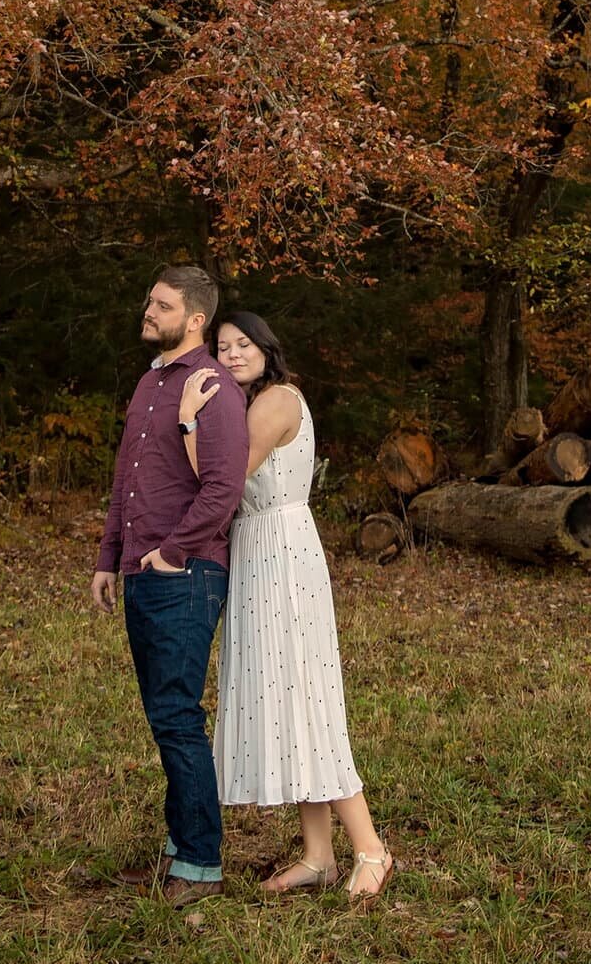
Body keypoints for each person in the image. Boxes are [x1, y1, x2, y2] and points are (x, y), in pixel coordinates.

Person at [181, 311, 394, 903]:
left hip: (281, 552)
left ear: (266, 348)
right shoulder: (250, 405)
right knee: (289, 703)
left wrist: (184, 422)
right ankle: (319, 857)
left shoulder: (276, 400)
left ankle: (371, 849)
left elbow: (221, 480)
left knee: (308, 702)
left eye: (242, 344)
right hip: (258, 553)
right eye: (221, 347)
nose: (230, 355)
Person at [90, 264, 248, 907]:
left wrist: (169, 554)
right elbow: (127, 478)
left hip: (186, 574)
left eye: (160, 304)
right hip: (140, 571)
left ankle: (201, 864)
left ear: (195, 320)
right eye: (147, 299)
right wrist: (111, 556)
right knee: (165, 717)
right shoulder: (149, 384)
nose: (146, 310)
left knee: (179, 716)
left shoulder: (213, 387)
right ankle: (181, 848)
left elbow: (222, 491)